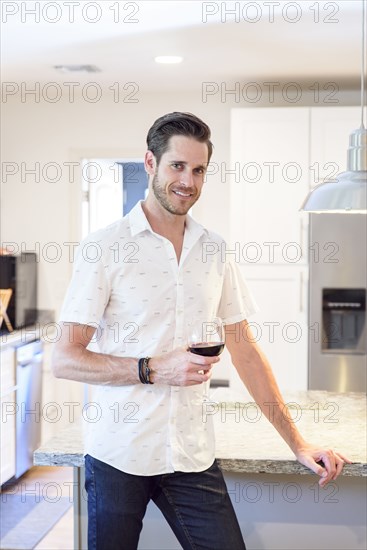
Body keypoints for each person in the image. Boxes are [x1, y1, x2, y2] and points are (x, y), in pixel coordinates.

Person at [52, 112, 350, 550]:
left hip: (189, 454)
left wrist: (298, 442)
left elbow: (245, 350)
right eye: (177, 166)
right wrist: (153, 369)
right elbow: (65, 357)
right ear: (150, 163)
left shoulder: (214, 249)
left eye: (198, 170)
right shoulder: (104, 247)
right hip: (118, 453)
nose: (188, 181)